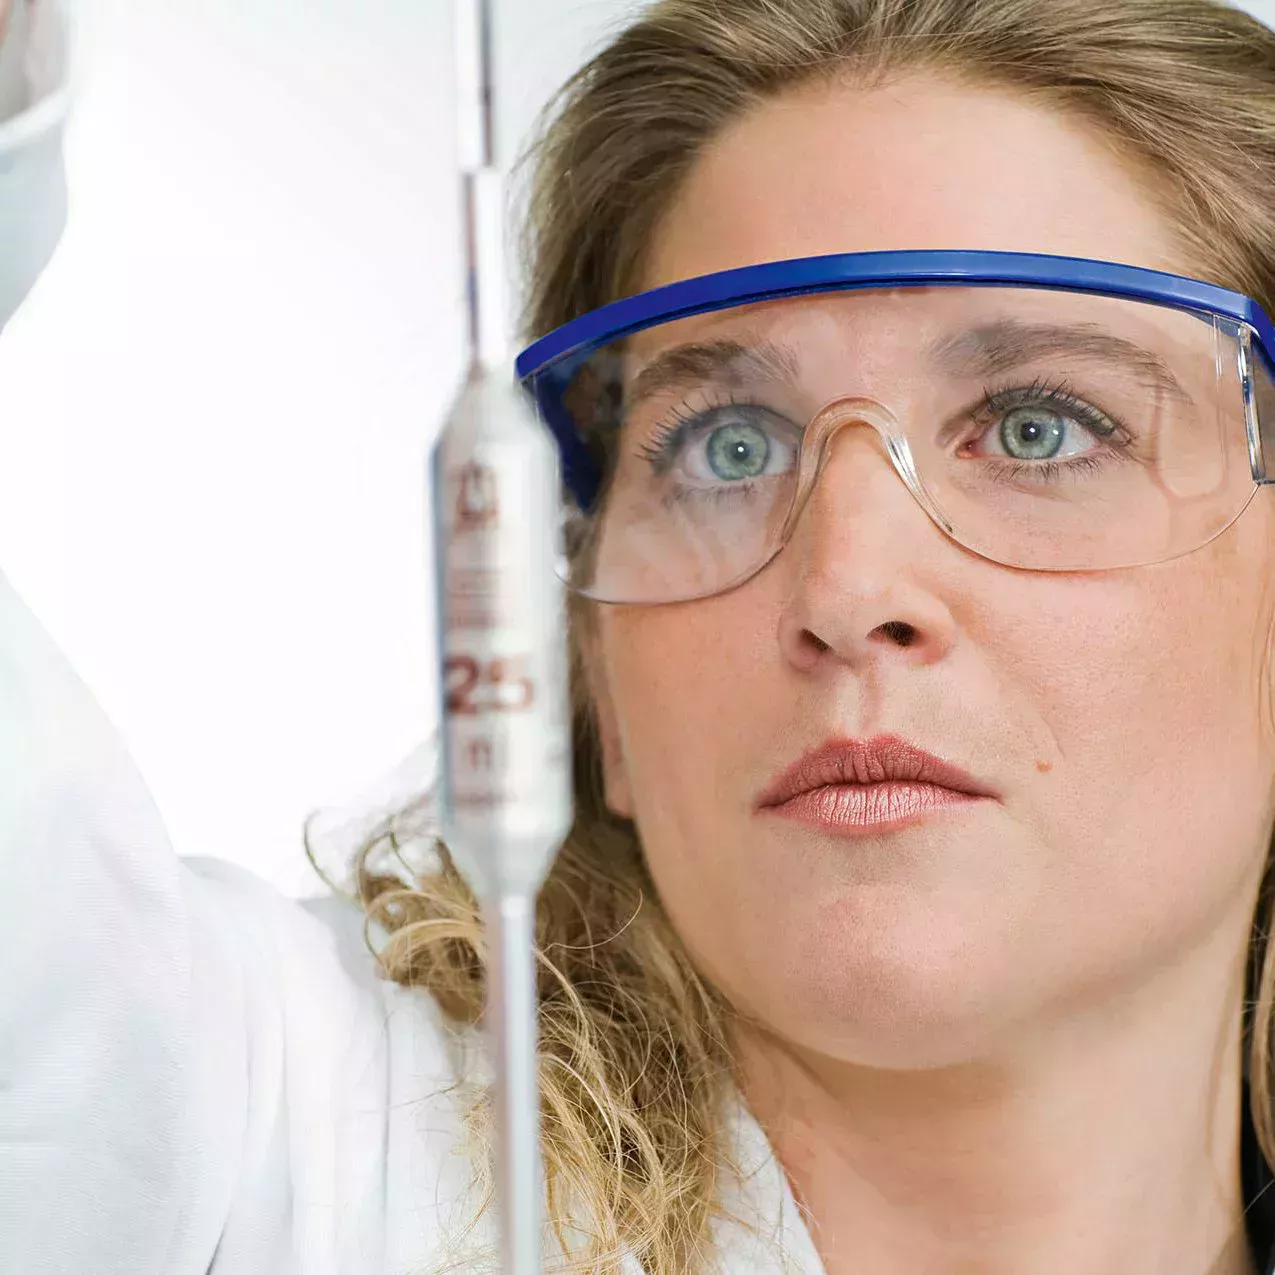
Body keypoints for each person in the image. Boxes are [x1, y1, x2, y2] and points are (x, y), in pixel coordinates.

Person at [8, 0, 1275, 1271]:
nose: (843, 585)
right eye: (730, 449)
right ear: (603, 686)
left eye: (1039, 426)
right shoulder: (276, 1137)